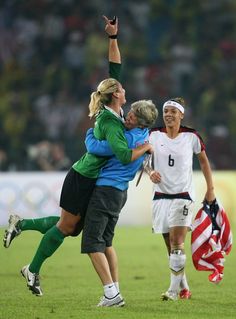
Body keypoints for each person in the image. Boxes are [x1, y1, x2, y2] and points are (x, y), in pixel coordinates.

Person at [3, 16, 153, 297]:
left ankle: (20, 226)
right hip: (83, 177)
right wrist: (145, 146)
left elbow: (115, 67)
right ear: (115, 96)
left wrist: (112, 38)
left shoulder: (115, 112)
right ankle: (32, 270)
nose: (124, 88)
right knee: (67, 227)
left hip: (91, 177)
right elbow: (122, 154)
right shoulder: (110, 122)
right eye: (120, 88)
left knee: (71, 227)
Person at [83, 98, 158, 307]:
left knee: (91, 243)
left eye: (134, 115)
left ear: (142, 123)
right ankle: (115, 290)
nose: (128, 115)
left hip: (106, 190)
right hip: (119, 193)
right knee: (107, 243)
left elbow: (94, 146)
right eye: (131, 111)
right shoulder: (143, 135)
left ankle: (110, 294)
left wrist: (89, 133)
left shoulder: (125, 139)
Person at [146, 98, 215, 301]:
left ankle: (173, 292)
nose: (168, 114)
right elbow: (144, 161)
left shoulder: (191, 136)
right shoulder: (154, 134)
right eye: (165, 111)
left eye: (173, 111)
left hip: (183, 196)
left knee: (177, 242)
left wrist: (210, 189)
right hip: (160, 196)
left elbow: (204, 162)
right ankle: (184, 288)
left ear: (181, 115)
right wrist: (150, 172)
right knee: (171, 247)